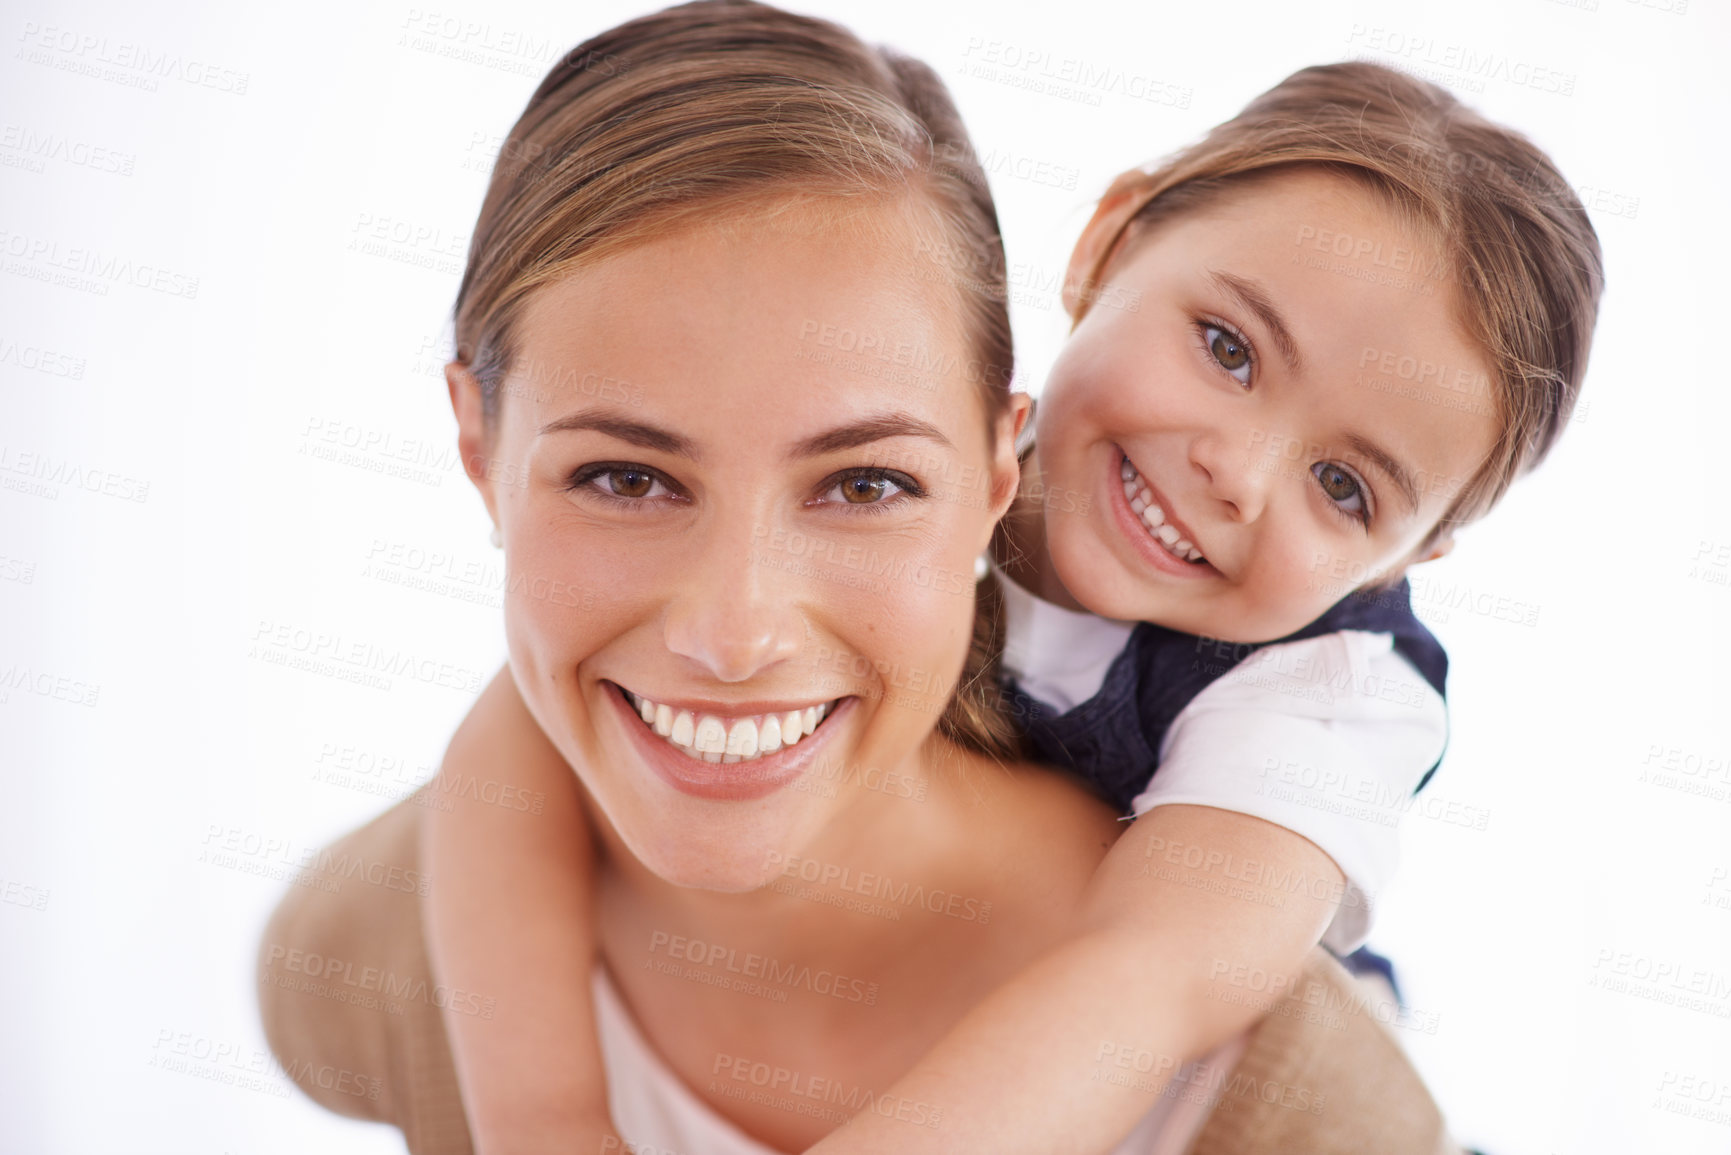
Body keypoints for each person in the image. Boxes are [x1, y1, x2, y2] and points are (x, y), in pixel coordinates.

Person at [260, 1, 1599, 1150]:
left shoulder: (1327, 699)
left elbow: (1150, 984)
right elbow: (516, 730)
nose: (1236, 471)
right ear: (1110, 241)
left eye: (1345, 485)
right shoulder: (976, 459)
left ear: (1417, 555)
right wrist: (548, 1121)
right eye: (1230, 350)